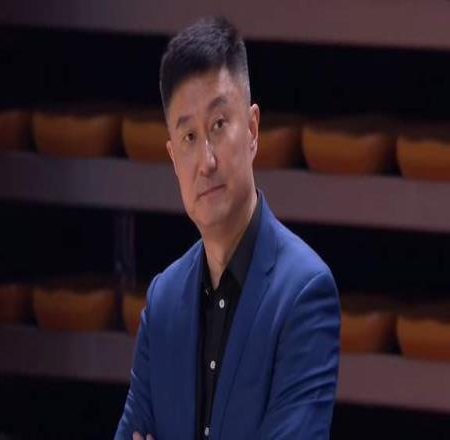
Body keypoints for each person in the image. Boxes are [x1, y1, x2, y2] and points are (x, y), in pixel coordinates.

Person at [115, 16, 340, 440]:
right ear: (173, 157)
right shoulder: (163, 302)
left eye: (219, 125)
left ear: (252, 129)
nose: (206, 161)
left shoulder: (305, 293)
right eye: (189, 137)